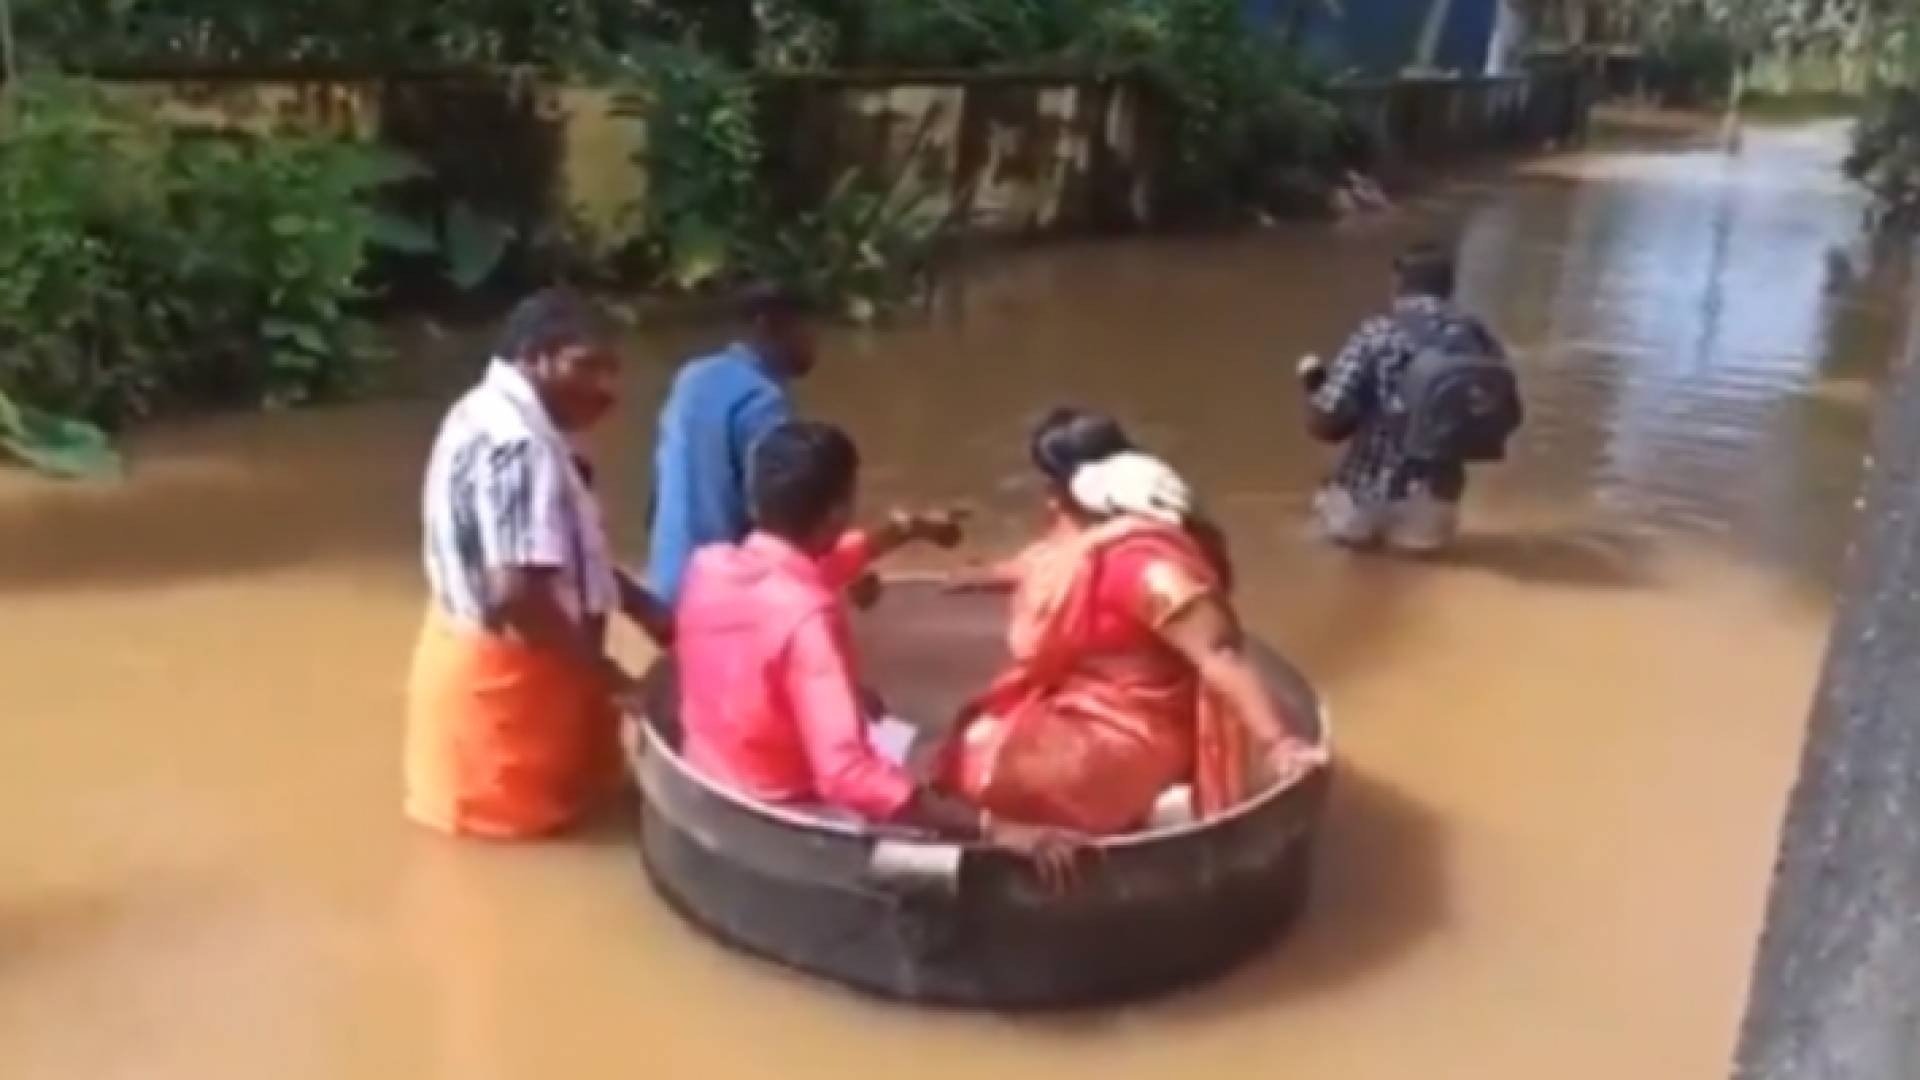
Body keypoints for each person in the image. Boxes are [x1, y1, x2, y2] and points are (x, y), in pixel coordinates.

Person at [675, 421, 1079, 886]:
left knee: (888, 729)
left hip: (712, 785)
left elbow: (817, 565)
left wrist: (904, 531)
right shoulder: (807, 616)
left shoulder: (710, 568)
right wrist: (999, 830)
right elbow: (846, 775)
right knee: (938, 765)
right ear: (837, 512)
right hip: (790, 818)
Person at [939, 409, 1327, 837]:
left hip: (1143, 722)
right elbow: (1044, 566)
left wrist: (1280, 744)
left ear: (1083, 489)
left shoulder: (1150, 567)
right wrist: (982, 577)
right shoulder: (1088, 540)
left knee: (990, 765)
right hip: (1086, 698)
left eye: (1054, 485)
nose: (1048, 499)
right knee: (977, 735)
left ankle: (1114, 820)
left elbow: (1220, 656)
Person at [406, 289, 671, 840]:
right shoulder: (520, 444)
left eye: (612, 371)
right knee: (537, 852)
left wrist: (642, 607)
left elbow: (552, 556)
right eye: (586, 367)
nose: (605, 391)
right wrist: (609, 678)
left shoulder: (478, 411)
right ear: (535, 357)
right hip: (511, 690)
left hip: (490, 661)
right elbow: (517, 596)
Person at [1299, 243, 1515, 554]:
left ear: (1398, 284)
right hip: (1435, 503)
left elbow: (1328, 419)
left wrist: (1312, 387)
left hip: (1364, 499)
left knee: (1323, 533)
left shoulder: (1377, 332)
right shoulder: (1477, 338)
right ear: (1449, 288)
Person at [646, 285, 818, 606]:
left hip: (667, 581)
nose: (814, 343)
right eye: (805, 329)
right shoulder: (764, 399)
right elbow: (777, 513)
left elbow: (657, 495)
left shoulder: (690, 377)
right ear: (768, 326)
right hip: (721, 589)